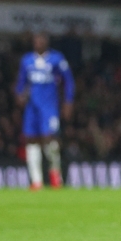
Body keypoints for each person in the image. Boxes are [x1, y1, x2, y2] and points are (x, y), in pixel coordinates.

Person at [14, 33, 75, 190]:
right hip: (32, 107)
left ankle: (55, 176)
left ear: (47, 42)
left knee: (50, 139)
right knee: (30, 139)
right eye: (36, 40)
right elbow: (21, 81)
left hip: (49, 107)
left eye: (41, 40)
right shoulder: (27, 60)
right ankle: (36, 180)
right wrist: (19, 94)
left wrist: (68, 102)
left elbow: (68, 81)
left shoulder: (57, 59)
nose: (38, 43)